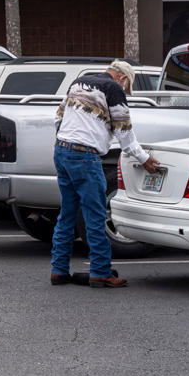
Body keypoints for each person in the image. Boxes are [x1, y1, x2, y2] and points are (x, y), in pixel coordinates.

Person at [50, 59, 162, 289]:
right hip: (85, 156)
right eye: (126, 86)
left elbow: (58, 118)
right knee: (95, 214)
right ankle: (101, 271)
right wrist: (145, 160)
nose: (125, 91)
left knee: (67, 214)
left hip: (62, 151)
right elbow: (125, 132)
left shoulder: (78, 82)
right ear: (122, 78)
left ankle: (59, 270)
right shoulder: (114, 89)